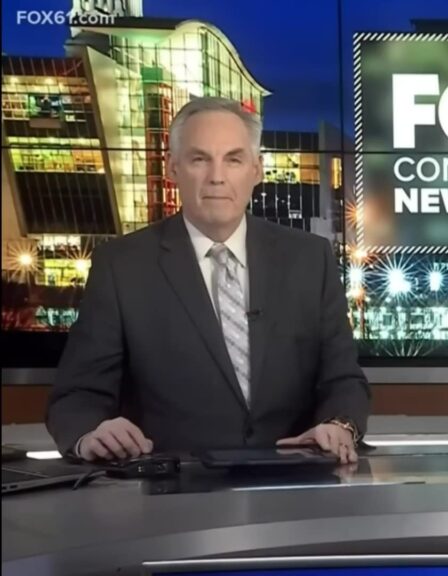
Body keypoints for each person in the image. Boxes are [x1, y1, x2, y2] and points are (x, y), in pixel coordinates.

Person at [47, 97, 370, 463]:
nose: (217, 176)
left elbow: (344, 380)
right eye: (200, 159)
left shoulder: (310, 258)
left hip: (294, 477)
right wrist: (92, 433)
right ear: (173, 168)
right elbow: (77, 397)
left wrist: (340, 425)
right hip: (171, 484)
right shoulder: (122, 265)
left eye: (233, 159)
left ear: (256, 170)